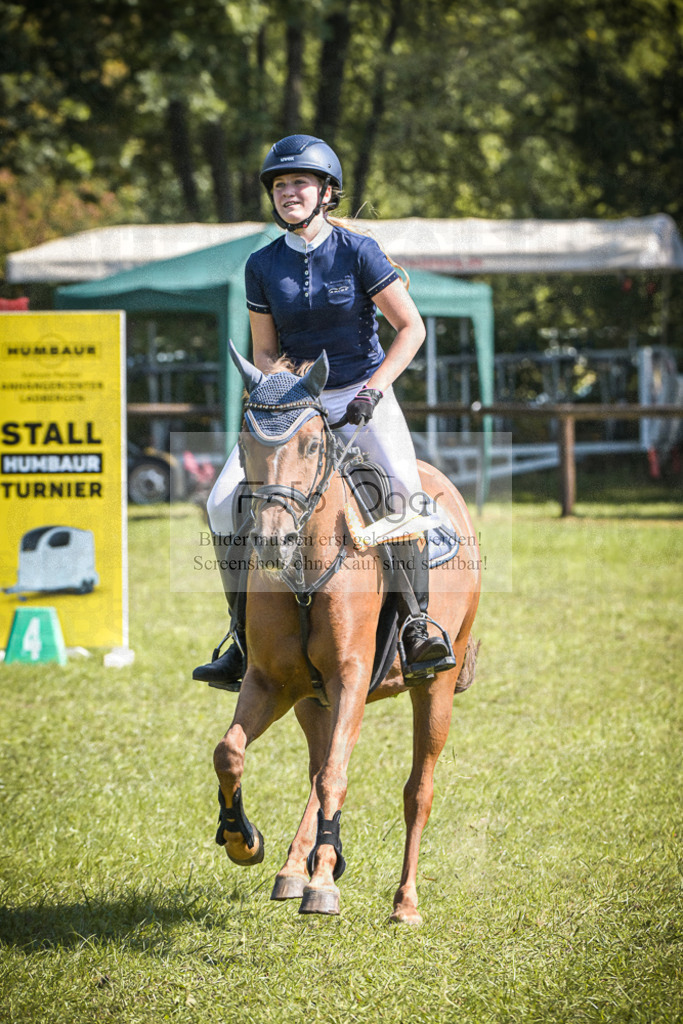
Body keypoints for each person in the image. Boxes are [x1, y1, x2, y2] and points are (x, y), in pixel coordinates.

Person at [193, 134, 452, 688]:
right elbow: (263, 350)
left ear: (327, 192)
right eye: (280, 185)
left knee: (402, 490)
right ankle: (239, 639)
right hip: (292, 404)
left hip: (361, 391)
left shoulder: (359, 253)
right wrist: (276, 393)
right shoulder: (261, 265)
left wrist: (374, 391)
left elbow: (412, 328)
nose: (289, 193)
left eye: (300, 183)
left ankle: (419, 627)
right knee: (220, 502)